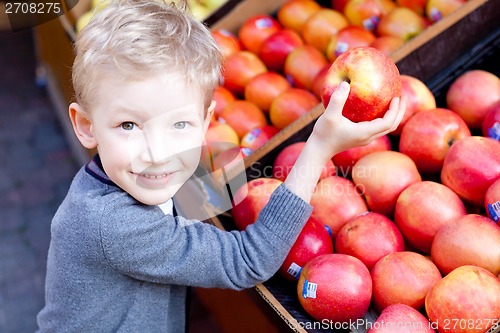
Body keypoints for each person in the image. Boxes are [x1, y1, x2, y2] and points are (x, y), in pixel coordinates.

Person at [36, 0, 406, 331]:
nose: (157, 152)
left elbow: (189, 200)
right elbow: (248, 261)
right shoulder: (114, 225)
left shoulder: (127, 176)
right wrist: (320, 146)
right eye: (128, 125)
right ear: (87, 126)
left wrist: (250, 171)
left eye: (179, 125)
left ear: (206, 118)